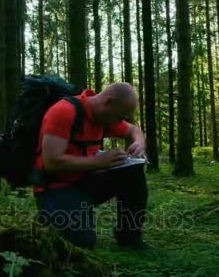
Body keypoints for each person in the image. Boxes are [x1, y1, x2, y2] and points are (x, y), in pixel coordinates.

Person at [34, 83, 148, 250]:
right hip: (56, 187)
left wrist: (139, 143)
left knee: (132, 171)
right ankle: (52, 214)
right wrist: (102, 162)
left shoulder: (104, 116)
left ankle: (129, 238)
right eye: (120, 117)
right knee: (82, 243)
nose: (121, 121)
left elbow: (134, 130)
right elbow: (52, 162)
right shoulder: (64, 112)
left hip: (86, 181)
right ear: (108, 102)